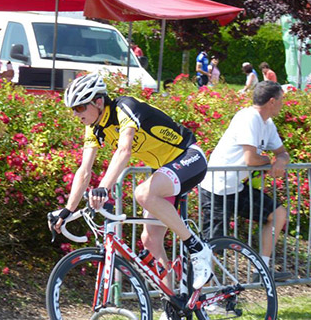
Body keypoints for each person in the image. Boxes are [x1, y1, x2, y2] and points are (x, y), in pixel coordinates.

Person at [50, 73, 214, 302]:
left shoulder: (125, 108)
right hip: (165, 170)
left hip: (188, 157)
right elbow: (84, 171)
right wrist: (68, 209)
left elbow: (124, 150)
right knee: (150, 241)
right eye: (73, 109)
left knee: (144, 193)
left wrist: (104, 188)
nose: (76, 114)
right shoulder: (94, 127)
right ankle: (172, 307)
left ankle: (197, 249)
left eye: (79, 108)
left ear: (98, 102)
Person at [200, 80, 291, 281]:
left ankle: (262, 271)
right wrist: (270, 162)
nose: (283, 103)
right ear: (272, 101)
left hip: (235, 187)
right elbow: (251, 159)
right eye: (282, 100)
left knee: (277, 213)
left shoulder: (267, 123)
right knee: (213, 245)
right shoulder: (249, 118)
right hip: (216, 187)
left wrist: (281, 160)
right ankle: (204, 294)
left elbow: (283, 152)